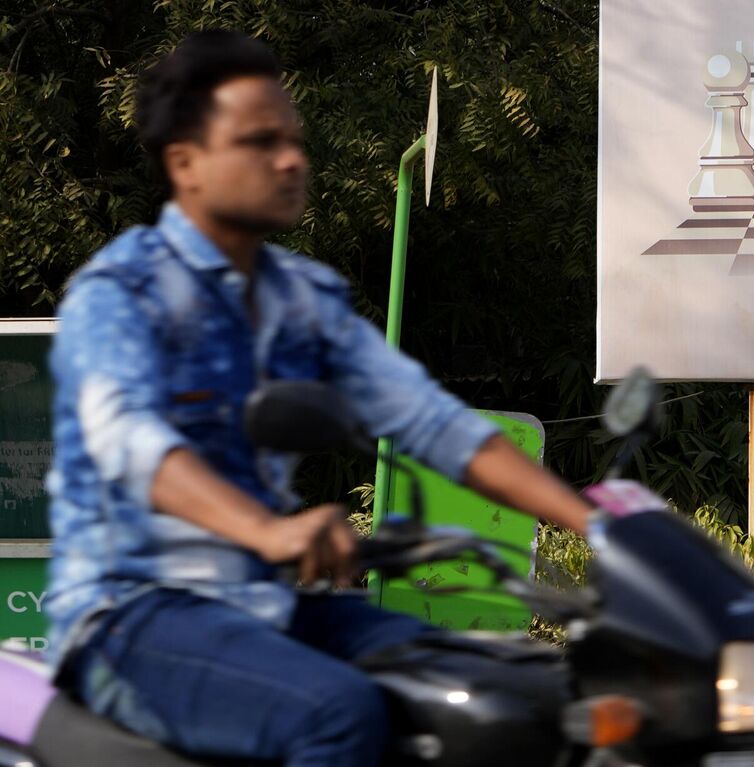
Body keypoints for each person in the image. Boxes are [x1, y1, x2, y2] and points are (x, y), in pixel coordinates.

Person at [42, 30, 596, 767]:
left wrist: (601, 525)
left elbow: (432, 421)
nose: (293, 158)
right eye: (260, 141)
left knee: (503, 691)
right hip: (132, 614)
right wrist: (268, 531)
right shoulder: (121, 295)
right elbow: (132, 443)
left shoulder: (303, 297)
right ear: (186, 164)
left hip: (267, 605)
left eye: (294, 138)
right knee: (340, 714)